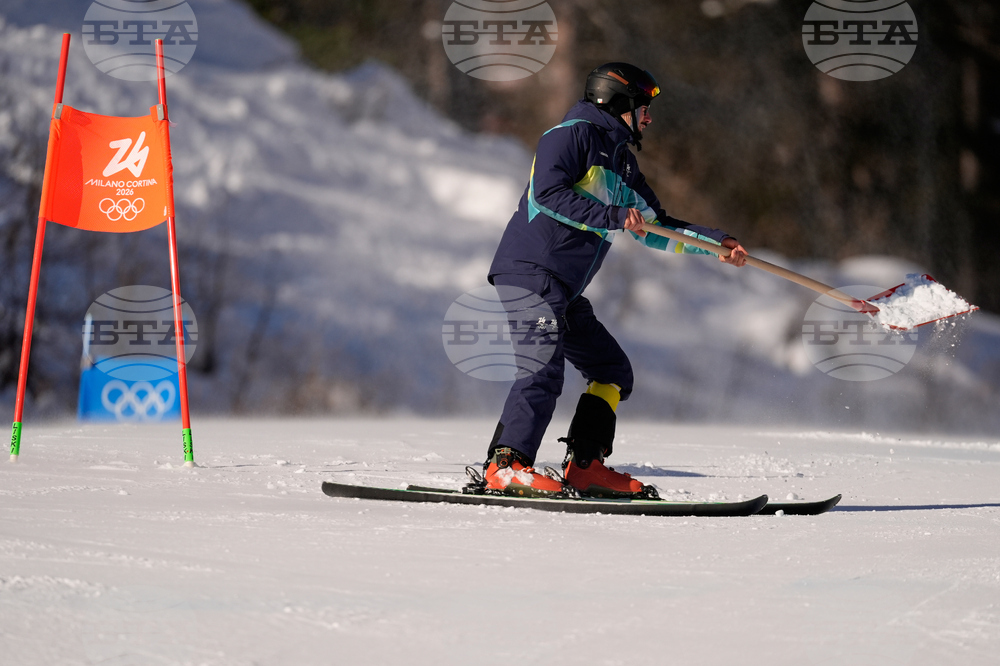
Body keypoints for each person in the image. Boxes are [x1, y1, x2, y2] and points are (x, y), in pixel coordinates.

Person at [481, 62, 748, 498]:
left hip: (562, 290)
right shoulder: (569, 135)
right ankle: (505, 466)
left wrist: (718, 244)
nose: (649, 118)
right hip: (530, 273)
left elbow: (658, 227)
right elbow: (547, 193)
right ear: (618, 102)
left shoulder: (621, 162)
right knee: (543, 369)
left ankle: (585, 466)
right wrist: (611, 216)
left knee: (611, 370)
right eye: (644, 108)